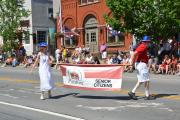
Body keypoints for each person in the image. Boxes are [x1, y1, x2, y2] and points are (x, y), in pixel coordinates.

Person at [128, 36, 156, 100]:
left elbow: (135, 54)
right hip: (141, 64)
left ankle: (132, 92)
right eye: (149, 42)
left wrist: (133, 63)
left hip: (140, 64)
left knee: (141, 80)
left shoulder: (143, 46)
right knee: (147, 80)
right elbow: (134, 53)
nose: (149, 43)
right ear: (147, 42)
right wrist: (132, 63)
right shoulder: (143, 46)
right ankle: (147, 95)